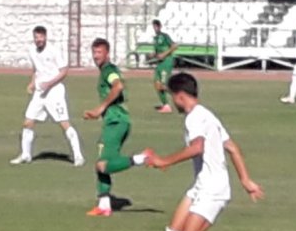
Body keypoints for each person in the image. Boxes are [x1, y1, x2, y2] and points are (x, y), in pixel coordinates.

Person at [145, 73, 264, 231]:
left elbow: (197, 147)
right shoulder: (209, 115)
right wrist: (245, 181)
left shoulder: (194, 119)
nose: (172, 102)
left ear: (180, 96)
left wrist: (164, 161)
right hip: (201, 185)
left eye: (172, 97)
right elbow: (233, 148)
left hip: (213, 188)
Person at [83, 38, 153, 217]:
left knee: (102, 165)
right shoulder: (106, 71)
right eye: (94, 52)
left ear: (107, 53)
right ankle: (104, 205)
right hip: (115, 121)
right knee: (102, 162)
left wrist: (101, 107)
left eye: (99, 52)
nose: (96, 56)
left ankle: (141, 158)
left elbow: (118, 86)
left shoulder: (109, 70)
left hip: (116, 121)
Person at [11, 26, 84, 166]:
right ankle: (26, 155)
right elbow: (36, 69)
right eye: (36, 37)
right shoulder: (32, 50)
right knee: (28, 122)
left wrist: (49, 84)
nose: (38, 40)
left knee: (64, 123)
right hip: (40, 92)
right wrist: (32, 83)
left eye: (40, 37)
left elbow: (64, 71)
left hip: (54, 92)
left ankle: (78, 156)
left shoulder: (54, 51)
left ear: (45, 37)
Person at [149, 20, 178, 113]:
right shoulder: (155, 38)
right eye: (154, 26)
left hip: (166, 62)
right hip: (160, 63)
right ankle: (166, 105)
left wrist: (164, 54)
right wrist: (153, 54)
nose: (155, 28)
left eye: (156, 26)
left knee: (163, 85)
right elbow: (157, 51)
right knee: (157, 84)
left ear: (160, 26)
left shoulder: (165, 36)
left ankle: (178, 94)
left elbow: (174, 46)